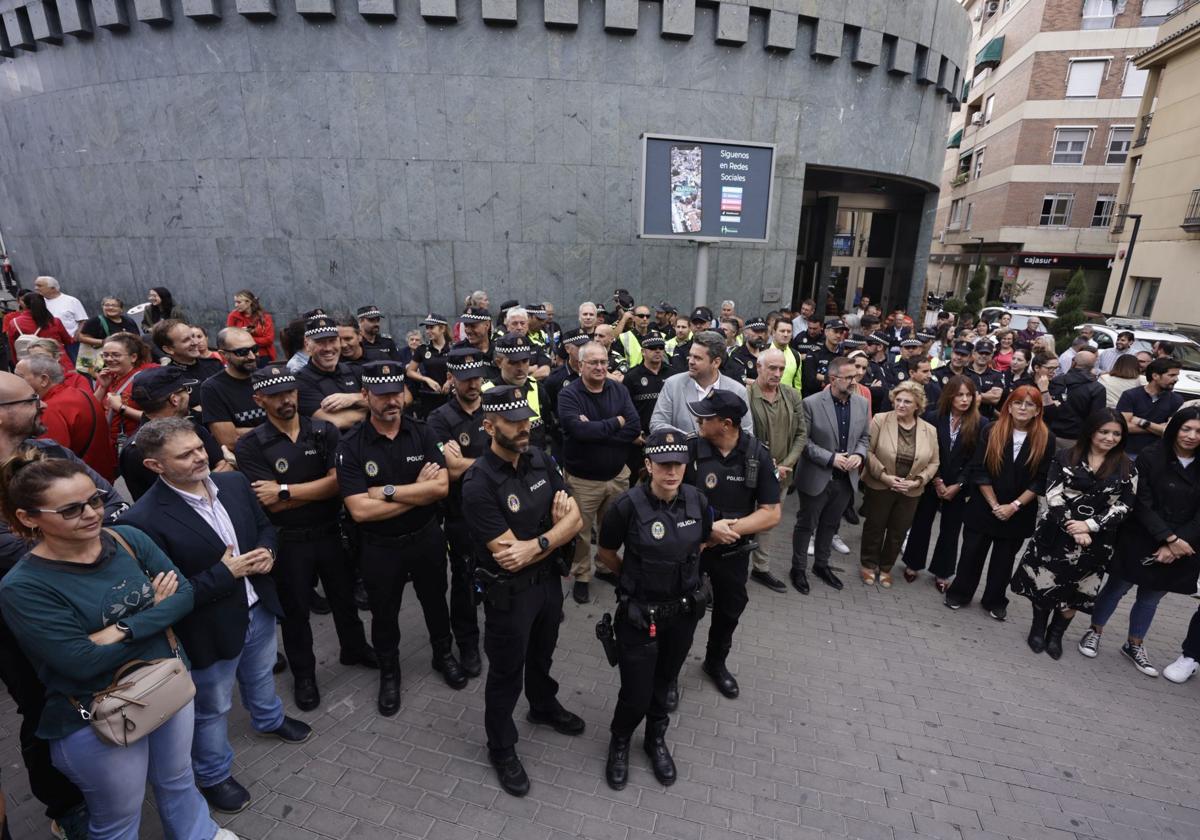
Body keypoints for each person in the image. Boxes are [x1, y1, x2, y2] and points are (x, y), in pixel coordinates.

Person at [0, 456, 234, 840]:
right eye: (71, 509)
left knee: (178, 778)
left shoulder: (127, 539)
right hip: (97, 714)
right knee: (119, 817)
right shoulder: (23, 587)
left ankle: (199, 834)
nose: (92, 514)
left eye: (94, 500)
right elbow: (79, 662)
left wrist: (121, 629)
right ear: (29, 518)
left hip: (168, 684)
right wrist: (155, 613)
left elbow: (185, 595)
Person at [120, 417, 309, 815]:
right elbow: (166, 597)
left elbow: (265, 528)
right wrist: (226, 574)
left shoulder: (234, 484)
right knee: (212, 707)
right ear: (155, 466)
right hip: (208, 629)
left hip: (258, 609)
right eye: (184, 455)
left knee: (260, 675)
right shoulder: (142, 521)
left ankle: (269, 718)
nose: (200, 457)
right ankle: (213, 774)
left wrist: (268, 552)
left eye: (198, 447)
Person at [460, 385, 584, 797]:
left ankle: (543, 706)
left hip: (548, 582)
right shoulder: (478, 482)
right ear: (488, 425)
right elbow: (508, 555)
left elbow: (577, 520)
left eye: (525, 418)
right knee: (506, 671)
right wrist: (553, 533)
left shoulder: (539, 458)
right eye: (513, 422)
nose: (523, 427)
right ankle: (502, 745)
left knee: (542, 654)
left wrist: (539, 543)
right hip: (509, 595)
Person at [235, 365, 375, 711]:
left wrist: (284, 490)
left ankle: (354, 648)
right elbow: (266, 503)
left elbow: (338, 483)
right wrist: (310, 492)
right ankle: (305, 675)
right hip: (290, 540)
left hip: (330, 531)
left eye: (290, 392)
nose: (286, 400)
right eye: (276, 395)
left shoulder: (323, 430)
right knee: (295, 613)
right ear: (259, 399)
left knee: (344, 599)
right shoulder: (251, 444)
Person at [337, 361, 464, 714]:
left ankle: (443, 654)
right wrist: (415, 491)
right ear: (365, 396)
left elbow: (440, 487)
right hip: (380, 548)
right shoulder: (351, 446)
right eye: (382, 395)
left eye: (396, 393)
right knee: (384, 613)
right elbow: (359, 511)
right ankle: (389, 672)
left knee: (436, 601)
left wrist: (386, 492)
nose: (392, 401)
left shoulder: (422, 433)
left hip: (425, 539)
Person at [596, 428, 710, 790]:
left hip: (682, 613)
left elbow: (701, 544)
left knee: (664, 683)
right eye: (663, 464)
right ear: (648, 464)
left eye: (677, 463)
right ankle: (620, 741)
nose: (671, 471)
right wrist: (634, 580)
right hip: (639, 615)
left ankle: (655, 740)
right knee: (636, 691)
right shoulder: (627, 506)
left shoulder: (697, 501)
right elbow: (607, 554)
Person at [1077, 407, 1200, 676]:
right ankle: (1094, 630)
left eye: (1198, 431)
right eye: (1186, 428)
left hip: (1181, 545)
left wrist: (1176, 544)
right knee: (1117, 587)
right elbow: (1140, 501)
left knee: (1152, 596)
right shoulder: (1151, 456)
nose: (1191, 436)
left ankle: (1135, 644)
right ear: (1175, 428)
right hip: (1142, 535)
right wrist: (1168, 537)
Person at [1011, 409, 1137, 659]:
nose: (1109, 438)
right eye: (1104, 432)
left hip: (1096, 541)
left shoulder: (1127, 466)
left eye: (1116, 434)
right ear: (1091, 431)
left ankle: (1056, 634)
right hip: (1055, 534)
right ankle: (1038, 628)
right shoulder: (1065, 456)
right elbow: (1053, 495)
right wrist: (1073, 526)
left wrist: (1090, 526)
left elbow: (1125, 505)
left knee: (1077, 591)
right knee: (1044, 584)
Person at [684, 390, 782, 700]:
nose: (698, 420)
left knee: (729, 609)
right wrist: (707, 532)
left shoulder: (757, 454)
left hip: (732, 550)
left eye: (705, 417)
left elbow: (771, 512)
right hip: (691, 547)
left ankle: (715, 663)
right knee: (682, 611)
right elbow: (668, 500)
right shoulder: (690, 449)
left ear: (726, 424)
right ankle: (668, 672)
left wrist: (730, 530)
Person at [944, 386, 1054, 620]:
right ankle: (960, 593)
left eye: (1029, 404)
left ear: (1037, 410)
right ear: (1009, 406)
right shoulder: (991, 430)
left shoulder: (1046, 438)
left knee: (1004, 561)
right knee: (971, 553)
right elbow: (979, 469)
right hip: (984, 506)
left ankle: (994, 600)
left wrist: (1014, 506)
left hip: (1019, 511)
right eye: (1017, 403)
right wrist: (995, 505)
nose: (1023, 408)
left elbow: (1041, 479)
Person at [426, 348, 492, 678]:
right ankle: (467, 642)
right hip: (460, 513)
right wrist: (496, 463)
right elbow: (449, 471)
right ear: (451, 378)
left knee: (499, 576)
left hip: (497, 513)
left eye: (477, 377)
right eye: (465, 379)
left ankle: (499, 634)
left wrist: (470, 464)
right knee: (465, 579)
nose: (473, 384)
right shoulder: (439, 419)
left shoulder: (494, 408)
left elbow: (518, 455)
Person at [558, 341, 641, 603]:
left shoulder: (618, 389)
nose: (600, 367)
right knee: (580, 531)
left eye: (604, 362)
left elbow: (634, 427)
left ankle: (605, 567)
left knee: (611, 528)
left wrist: (598, 431)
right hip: (583, 480)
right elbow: (578, 431)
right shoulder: (569, 395)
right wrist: (616, 423)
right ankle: (582, 575)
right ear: (580, 365)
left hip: (617, 475)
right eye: (593, 362)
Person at [790, 356, 870, 594]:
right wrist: (831, 458)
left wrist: (859, 455)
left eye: (855, 376)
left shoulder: (861, 404)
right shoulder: (811, 403)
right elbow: (804, 441)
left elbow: (865, 437)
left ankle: (821, 566)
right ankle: (798, 569)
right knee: (806, 525)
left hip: (846, 480)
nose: (855, 381)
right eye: (849, 377)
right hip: (817, 476)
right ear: (834, 379)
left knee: (831, 525)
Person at [900, 375, 986, 591]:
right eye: (960, 395)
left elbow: (977, 459)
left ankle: (943, 571)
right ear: (950, 396)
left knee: (951, 529)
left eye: (969, 395)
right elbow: (924, 451)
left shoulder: (980, 423)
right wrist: (937, 479)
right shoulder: (932, 418)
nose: (965, 400)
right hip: (930, 479)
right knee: (921, 523)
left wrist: (959, 484)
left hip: (959, 485)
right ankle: (912, 563)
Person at [860, 381, 939, 587]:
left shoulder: (929, 430)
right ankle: (868, 564)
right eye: (898, 400)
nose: (901, 405)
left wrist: (917, 482)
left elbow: (934, 462)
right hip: (881, 484)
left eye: (907, 402)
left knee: (898, 531)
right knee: (874, 527)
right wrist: (885, 476)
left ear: (917, 406)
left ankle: (886, 568)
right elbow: (867, 451)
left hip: (910, 491)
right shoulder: (880, 419)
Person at [745, 348, 807, 593]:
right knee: (744, 519)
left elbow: (802, 434)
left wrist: (787, 464)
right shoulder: (747, 395)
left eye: (781, 369)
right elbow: (742, 434)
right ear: (758, 367)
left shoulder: (792, 396)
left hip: (782, 473)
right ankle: (735, 568)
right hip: (752, 472)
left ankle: (761, 568)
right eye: (772, 368)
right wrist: (766, 464)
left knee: (768, 523)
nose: (778, 373)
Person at [119, 366, 230, 501]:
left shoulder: (191, 425)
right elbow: (175, 497)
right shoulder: (138, 450)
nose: (199, 457)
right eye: (186, 390)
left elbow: (225, 465)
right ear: (174, 399)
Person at [14, 356, 115, 481]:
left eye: (19, 377)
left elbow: (53, 460)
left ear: (44, 380)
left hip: (81, 481)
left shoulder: (50, 408)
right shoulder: (79, 393)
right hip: (101, 474)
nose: (15, 381)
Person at [649, 331, 753, 435]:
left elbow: (746, 433)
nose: (691, 361)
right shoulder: (673, 384)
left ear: (716, 362)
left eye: (697, 358)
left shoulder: (737, 390)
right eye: (690, 356)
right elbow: (657, 424)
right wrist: (693, 440)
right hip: (685, 450)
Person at [199, 327, 266, 450]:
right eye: (242, 352)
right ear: (223, 354)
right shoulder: (212, 388)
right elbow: (229, 440)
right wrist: (276, 428)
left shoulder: (268, 377)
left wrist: (240, 431)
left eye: (255, 349)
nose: (252, 356)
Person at [295, 315, 367, 429]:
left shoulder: (354, 370)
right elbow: (336, 421)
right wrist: (373, 411)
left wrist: (354, 398)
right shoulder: (301, 381)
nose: (328, 348)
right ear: (307, 345)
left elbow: (386, 400)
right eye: (320, 342)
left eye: (332, 341)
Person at [482, 335, 552, 449]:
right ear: (499, 362)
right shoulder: (487, 393)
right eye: (513, 362)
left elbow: (548, 427)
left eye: (525, 361)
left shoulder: (537, 388)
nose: (520, 368)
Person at [94, 332, 156, 450]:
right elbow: (91, 410)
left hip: (141, 444)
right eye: (105, 355)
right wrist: (102, 387)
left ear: (133, 357)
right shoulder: (106, 376)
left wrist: (121, 408)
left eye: (116, 355)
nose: (109, 359)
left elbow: (157, 417)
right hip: (111, 444)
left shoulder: (149, 377)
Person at [1117, 357, 1184, 460]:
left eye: (1177, 375)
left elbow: (1171, 430)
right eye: (1171, 375)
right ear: (1155, 376)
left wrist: (1142, 422)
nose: (1176, 379)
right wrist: (1159, 428)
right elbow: (1123, 427)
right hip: (1127, 453)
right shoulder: (1130, 395)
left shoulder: (1176, 400)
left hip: (1157, 455)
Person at [151, 320, 223, 414]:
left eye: (193, 336)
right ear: (169, 349)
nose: (195, 342)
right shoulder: (166, 380)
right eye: (186, 340)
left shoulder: (214, 364)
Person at [623, 335, 670, 477]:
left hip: (666, 439)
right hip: (640, 440)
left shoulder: (673, 374)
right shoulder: (632, 377)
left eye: (661, 348)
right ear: (643, 352)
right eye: (652, 348)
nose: (657, 351)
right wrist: (633, 433)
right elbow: (624, 408)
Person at [1046, 349, 1105, 451]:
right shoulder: (1097, 388)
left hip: (1052, 434)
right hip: (1074, 438)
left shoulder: (1056, 381)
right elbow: (1096, 418)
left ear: (1073, 362)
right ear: (1092, 366)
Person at [5, 293, 74, 367]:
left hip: (32, 365)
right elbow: (68, 341)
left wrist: (19, 366)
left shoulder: (14, 323)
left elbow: (13, 349)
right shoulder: (54, 321)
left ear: (24, 304)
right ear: (44, 303)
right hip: (58, 362)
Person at [406, 313, 452, 417]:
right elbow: (410, 371)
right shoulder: (422, 349)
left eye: (431, 328)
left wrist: (450, 381)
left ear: (442, 329)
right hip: (429, 398)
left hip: (450, 396)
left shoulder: (453, 348)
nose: (428, 331)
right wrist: (426, 379)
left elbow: (461, 370)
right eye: (427, 328)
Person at [32, 277, 87, 344]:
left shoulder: (71, 301)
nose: (36, 288)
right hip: (49, 344)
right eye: (36, 285)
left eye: (39, 286)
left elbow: (83, 320)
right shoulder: (37, 303)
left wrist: (77, 336)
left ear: (52, 288)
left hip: (71, 342)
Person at [226, 290, 276, 363]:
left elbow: (269, 340)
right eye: (235, 302)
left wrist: (246, 337)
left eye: (239, 302)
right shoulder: (233, 316)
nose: (236, 305)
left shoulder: (264, 317)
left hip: (263, 356)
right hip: (242, 356)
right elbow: (230, 338)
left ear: (248, 302)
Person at [966, 340, 1006, 418]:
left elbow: (995, 399)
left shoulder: (997, 375)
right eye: (981, 353)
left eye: (987, 353)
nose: (984, 356)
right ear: (974, 354)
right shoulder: (964, 371)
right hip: (965, 416)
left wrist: (971, 395)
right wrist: (987, 395)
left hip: (987, 418)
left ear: (991, 356)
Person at [726, 316, 769, 384]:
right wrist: (763, 384)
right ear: (745, 333)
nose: (760, 335)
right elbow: (740, 379)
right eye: (756, 331)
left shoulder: (767, 352)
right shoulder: (737, 355)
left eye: (762, 331)